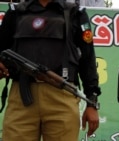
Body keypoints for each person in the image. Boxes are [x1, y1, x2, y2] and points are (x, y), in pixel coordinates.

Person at [0, 0, 101, 141]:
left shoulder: (75, 13)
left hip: (62, 95)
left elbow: (87, 60)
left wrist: (92, 102)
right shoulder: (16, 12)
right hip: (21, 97)